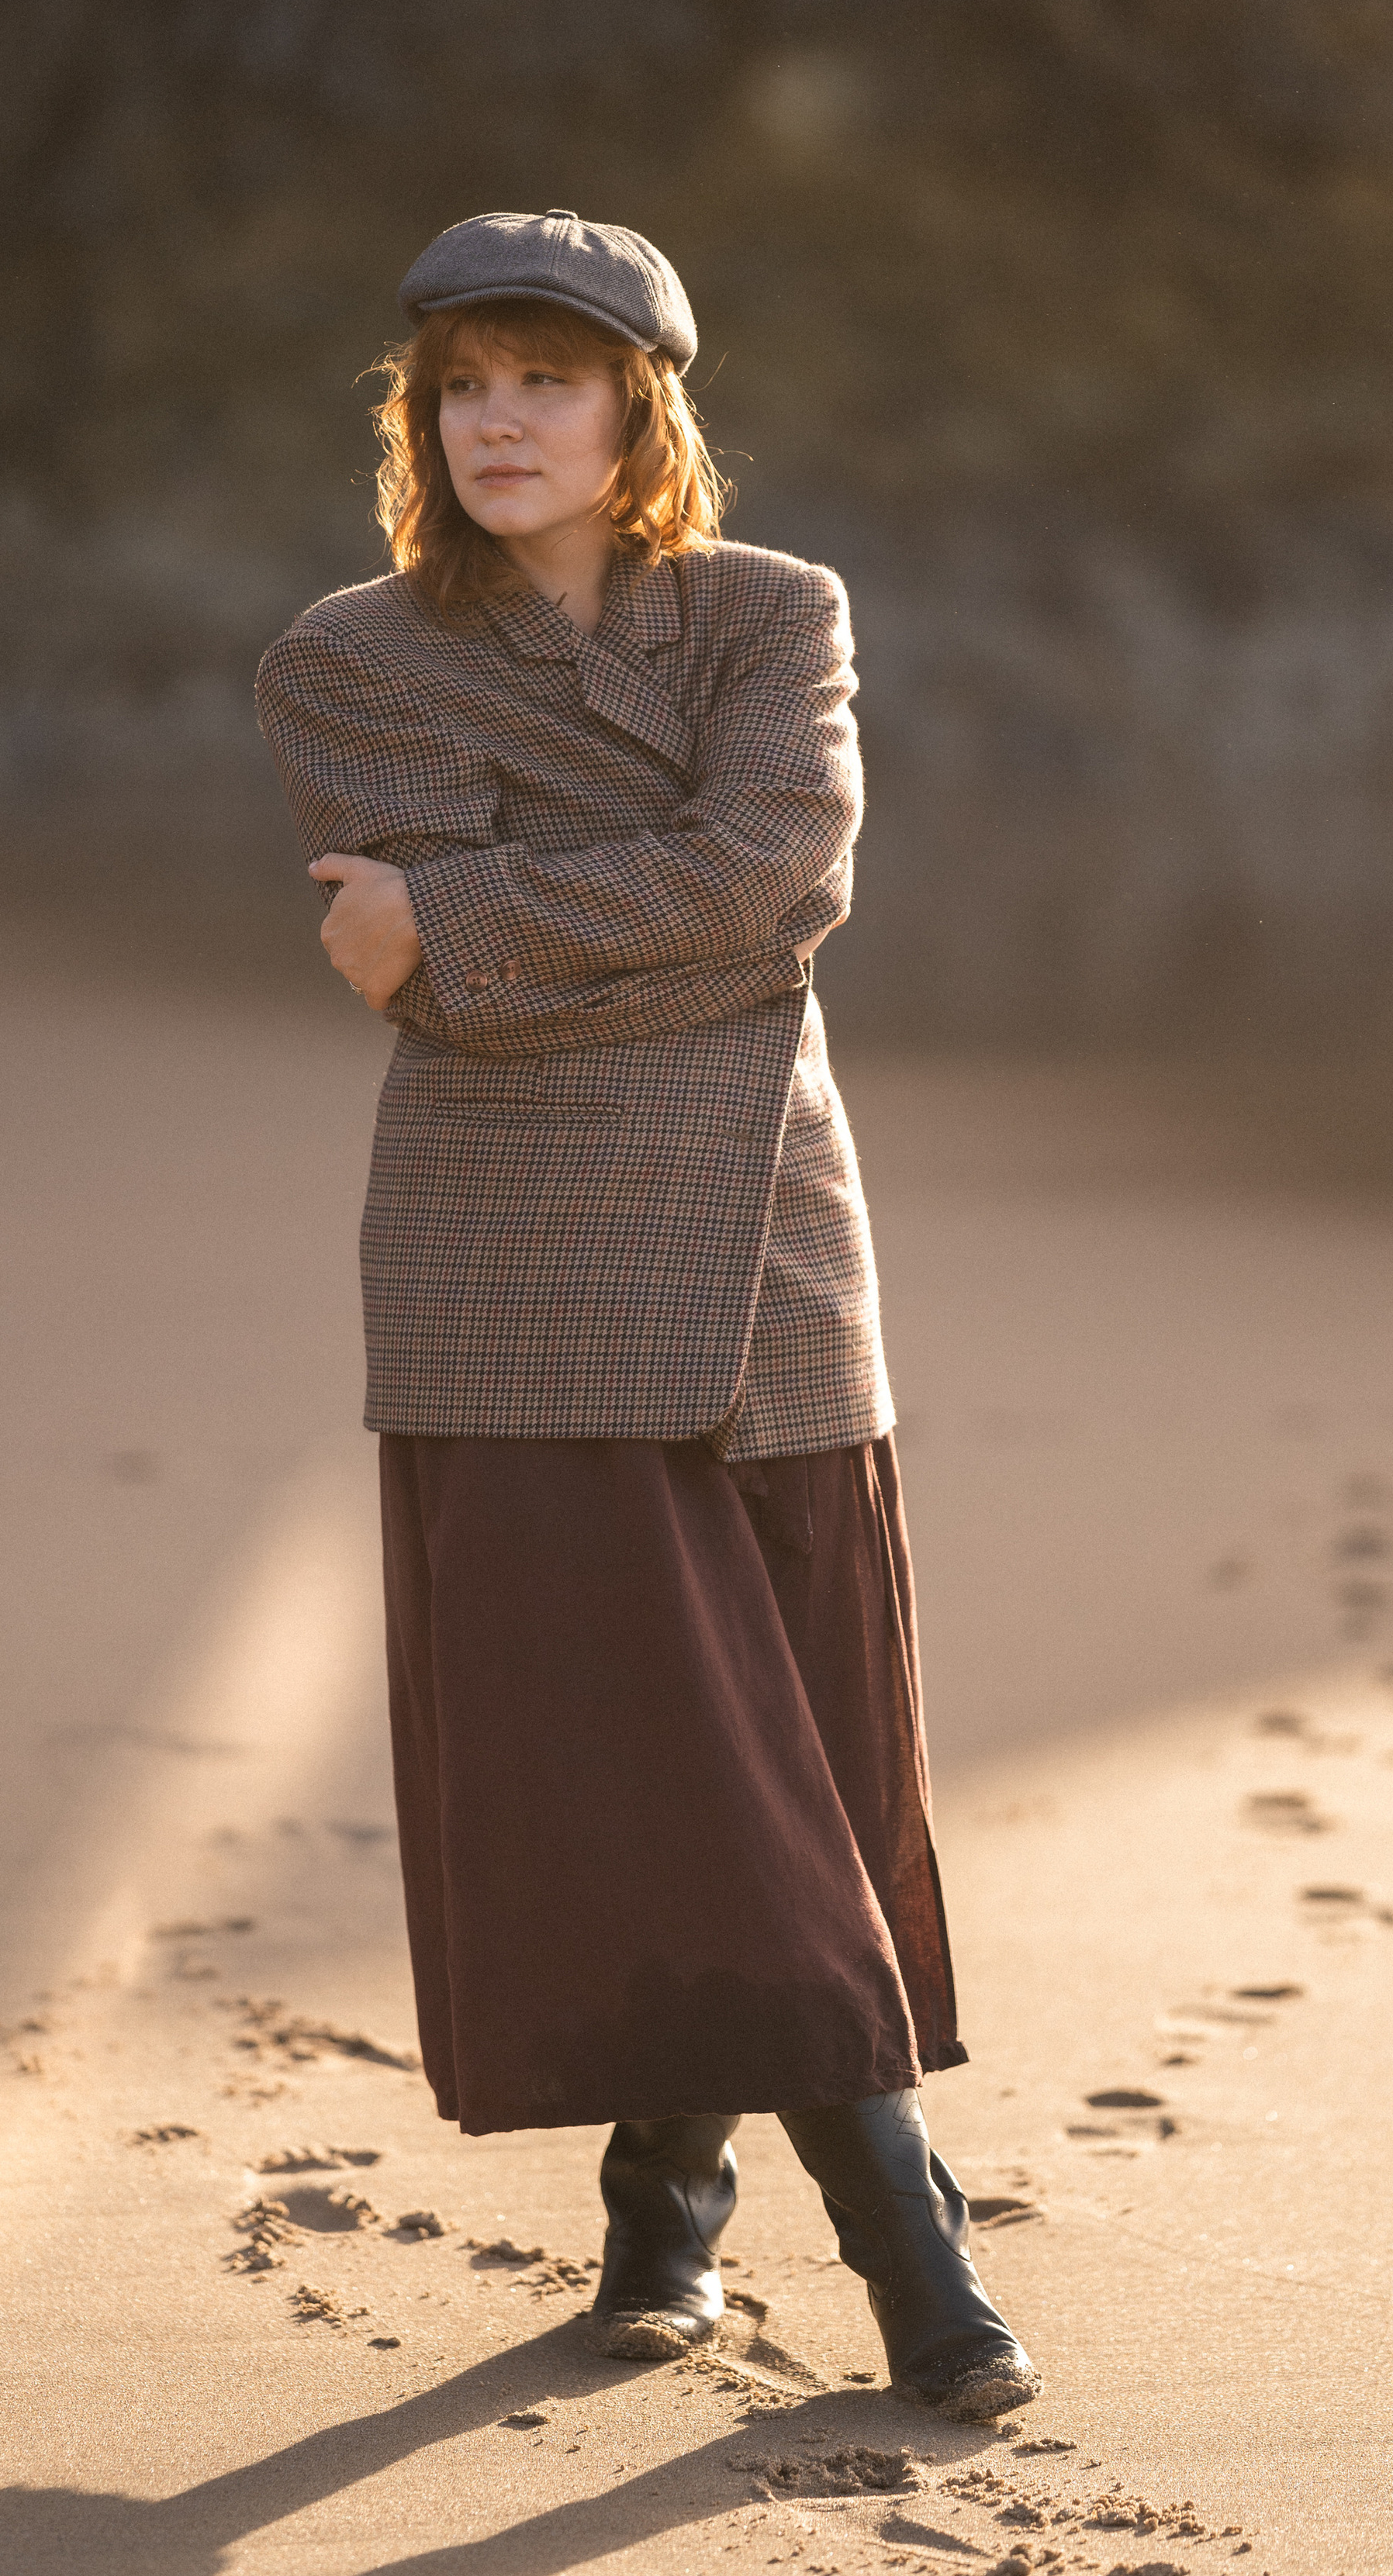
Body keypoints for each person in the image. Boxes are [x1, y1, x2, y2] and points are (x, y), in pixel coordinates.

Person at [254, 207, 1039, 2419]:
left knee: (784, 1731)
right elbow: (466, 948)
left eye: (551, 381)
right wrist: (644, 917)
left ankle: (662, 2217)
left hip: (774, 1242)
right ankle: (914, 2250)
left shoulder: (775, 612)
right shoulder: (346, 656)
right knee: (659, 1745)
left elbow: (786, 870)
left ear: (637, 411)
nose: (501, 422)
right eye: (466, 385)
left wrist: (489, 908)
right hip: (507, 1265)